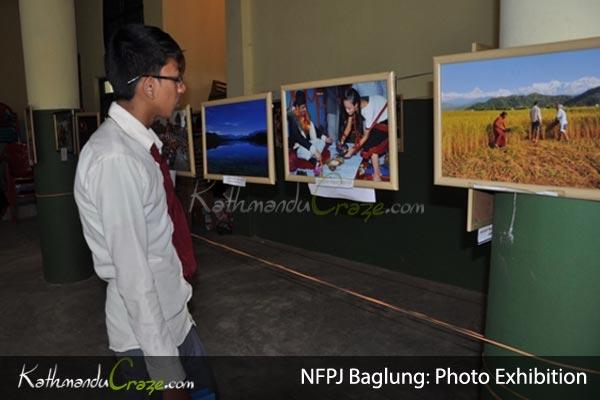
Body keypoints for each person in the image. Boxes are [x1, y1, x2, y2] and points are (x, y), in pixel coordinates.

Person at [74, 24, 215, 400]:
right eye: (176, 77)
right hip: (147, 342)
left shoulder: (140, 147)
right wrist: (168, 378)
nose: (181, 87)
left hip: (176, 316)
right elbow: (134, 276)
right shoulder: (115, 159)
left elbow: (159, 238)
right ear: (148, 85)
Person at [340, 88, 389, 181]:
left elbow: (366, 136)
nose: (347, 111)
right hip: (375, 120)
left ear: (356, 105)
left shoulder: (368, 110)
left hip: (385, 120)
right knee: (363, 143)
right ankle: (371, 165)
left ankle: (377, 174)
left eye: (349, 108)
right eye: (345, 108)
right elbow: (348, 127)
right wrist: (342, 140)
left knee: (370, 146)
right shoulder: (355, 104)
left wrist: (352, 150)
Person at [287, 90, 332, 165]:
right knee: (303, 151)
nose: (305, 109)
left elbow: (314, 129)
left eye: (305, 107)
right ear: (297, 107)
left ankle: (314, 154)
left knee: (321, 142)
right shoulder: (292, 117)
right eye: (302, 107)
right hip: (298, 145)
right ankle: (312, 159)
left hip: (308, 142)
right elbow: (299, 138)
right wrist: (313, 149)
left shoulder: (305, 114)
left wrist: (325, 138)